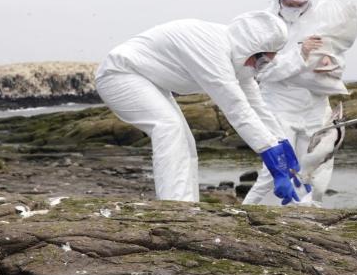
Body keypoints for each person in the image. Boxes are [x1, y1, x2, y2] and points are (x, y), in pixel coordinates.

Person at [95, 11, 301, 204]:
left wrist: (282, 145)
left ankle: (188, 206)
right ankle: (174, 208)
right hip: (119, 74)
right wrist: (273, 159)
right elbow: (237, 109)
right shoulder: (212, 48)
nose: (260, 67)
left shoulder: (235, 59)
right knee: (169, 127)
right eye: (263, 60)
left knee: (186, 142)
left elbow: (256, 106)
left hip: (148, 80)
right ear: (250, 47)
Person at [243, 0, 357, 206]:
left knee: (314, 166)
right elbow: (264, 72)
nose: (295, 9)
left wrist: (328, 63)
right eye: (289, 3)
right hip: (278, 104)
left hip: (314, 106)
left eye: (300, 4)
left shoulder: (319, 21)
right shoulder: (264, 25)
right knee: (275, 167)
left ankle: (306, 215)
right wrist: (301, 54)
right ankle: (246, 213)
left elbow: (337, 55)